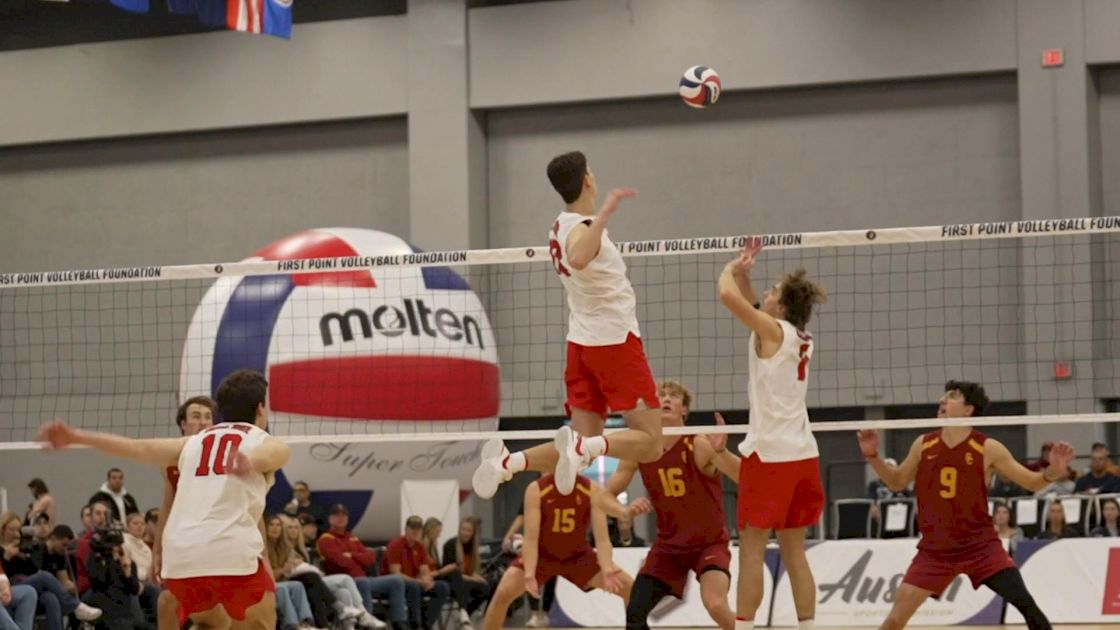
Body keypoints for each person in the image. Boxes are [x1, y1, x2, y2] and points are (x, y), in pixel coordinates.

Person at [474, 151, 663, 499]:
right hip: (614, 343)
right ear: (588, 179)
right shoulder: (582, 226)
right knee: (652, 444)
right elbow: (577, 257)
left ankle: (508, 463)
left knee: (580, 438)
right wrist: (604, 214)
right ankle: (587, 450)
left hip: (581, 346)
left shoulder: (559, 224)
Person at [39, 369, 291, 630]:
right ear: (261, 409)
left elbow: (137, 448)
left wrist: (77, 436)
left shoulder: (191, 443)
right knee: (261, 620)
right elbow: (275, 454)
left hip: (181, 558)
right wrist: (249, 461)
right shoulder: (262, 440)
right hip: (230, 552)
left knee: (211, 623)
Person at [858, 380, 1073, 630]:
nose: (942, 401)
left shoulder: (988, 448)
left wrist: (1054, 472)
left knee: (1027, 606)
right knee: (894, 621)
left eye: (951, 396)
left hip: (980, 548)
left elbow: (1033, 483)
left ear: (969, 409)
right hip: (935, 552)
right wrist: (873, 456)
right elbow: (896, 482)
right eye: (943, 396)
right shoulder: (923, 444)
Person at [717, 237, 826, 630]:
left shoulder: (771, 330)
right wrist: (748, 274)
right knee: (795, 552)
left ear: (781, 307)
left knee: (751, 549)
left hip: (770, 457)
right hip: (803, 455)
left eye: (773, 291)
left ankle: (744, 626)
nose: (766, 291)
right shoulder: (798, 337)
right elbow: (752, 304)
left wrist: (731, 268)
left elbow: (729, 298)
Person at [606, 380, 740, 630]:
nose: (666, 398)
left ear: (684, 410)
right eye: (661, 395)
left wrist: (721, 453)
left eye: (674, 395)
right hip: (668, 548)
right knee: (634, 614)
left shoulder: (698, 443)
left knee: (715, 605)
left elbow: (746, 478)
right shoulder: (640, 450)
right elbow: (607, 494)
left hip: (708, 544)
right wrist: (623, 511)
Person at [482, 474, 631, 630]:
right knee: (502, 593)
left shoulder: (592, 489)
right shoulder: (537, 489)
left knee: (630, 588)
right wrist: (529, 573)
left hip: (578, 556)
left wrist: (607, 568)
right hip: (542, 555)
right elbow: (531, 538)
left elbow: (602, 540)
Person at [152, 396, 214, 630]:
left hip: (215, 541)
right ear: (183, 424)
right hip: (184, 542)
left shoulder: (219, 456)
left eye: (208, 417)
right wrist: (157, 550)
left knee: (215, 610)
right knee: (168, 602)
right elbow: (168, 505)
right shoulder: (170, 459)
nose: (204, 422)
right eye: (196, 417)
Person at [0, 512, 102, 630]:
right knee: (44, 576)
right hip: (8, 587)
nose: (16, 533)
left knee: (50, 599)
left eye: (18, 530)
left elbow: (32, 570)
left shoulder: (23, 547)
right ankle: (76, 606)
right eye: (12, 529)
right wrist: (6, 558)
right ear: (3, 529)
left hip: (24, 584)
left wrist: (26, 556)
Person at [317, 505, 409, 630]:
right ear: (330, 519)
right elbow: (341, 562)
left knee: (396, 580)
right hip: (345, 581)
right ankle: (366, 622)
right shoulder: (326, 539)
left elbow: (371, 558)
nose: (340, 518)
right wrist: (359, 558)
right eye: (336, 515)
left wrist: (352, 555)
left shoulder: (353, 538)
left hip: (364, 579)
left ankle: (399, 622)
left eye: (343, 515)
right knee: (363, 582)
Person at [280, 516, 381, 630]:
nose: (294, 530)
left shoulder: (301, 547)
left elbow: (370, 557)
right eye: (290, 528)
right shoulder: (282, 547)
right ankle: (363, 614)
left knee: (344, 592)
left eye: (296, 528)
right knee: (345, 579)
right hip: (302, 581)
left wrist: (352, 555)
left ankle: (349, 626)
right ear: (284, 530)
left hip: (313, 580)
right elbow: (291, 569)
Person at [382, 516, 450, 630]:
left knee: (442, 587)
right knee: (414, 586)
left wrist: (427, 581)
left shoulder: (420, 547)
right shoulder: (396, 545)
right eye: (412, 528)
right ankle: (415, 625)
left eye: (418, 529)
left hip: (414, 582)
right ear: (406, 529)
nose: (415, 531)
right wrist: (419, 581)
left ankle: (427, 623)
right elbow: (396, 574)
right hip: (396, 584)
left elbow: (425, 571)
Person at [437, 518, 491, 629]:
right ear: (459, 530)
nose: (465, 533)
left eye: (469, 530)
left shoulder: (472, 547)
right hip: (451, 581)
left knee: (488, 585)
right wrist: (475, 579)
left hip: (466, 579)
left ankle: (469, 614)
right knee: (461, 581)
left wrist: (479, 578)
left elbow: (471, 571)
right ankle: (463, 613)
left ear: (473, 533)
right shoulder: (451, 544)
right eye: (463, 529)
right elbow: (451, 571)